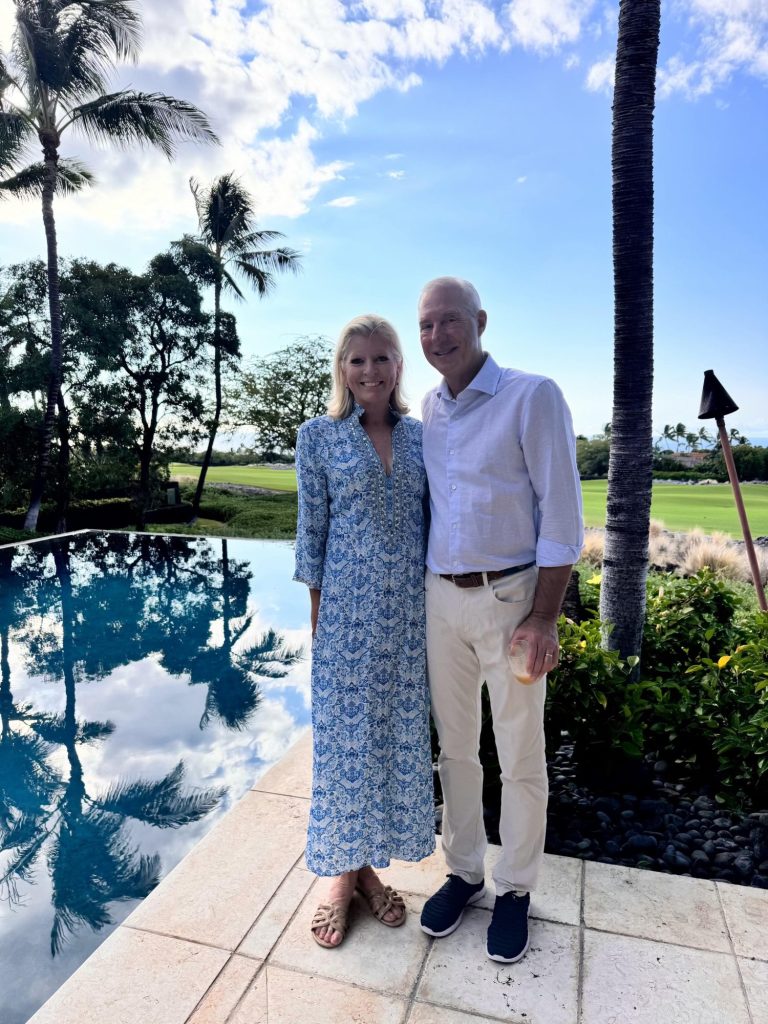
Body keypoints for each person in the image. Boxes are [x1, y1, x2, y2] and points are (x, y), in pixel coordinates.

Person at [417, 277, 583, 963]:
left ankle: (514, 888)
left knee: (519, 752)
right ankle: (463, 872)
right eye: (426, 325)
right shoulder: (427, 407)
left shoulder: (531, 395)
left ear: (479, 322)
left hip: (513, 601)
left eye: (449, 321)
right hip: (440, 600)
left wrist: (544, 618)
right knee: (455, 748)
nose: (437, 336)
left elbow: (563, 519)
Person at [294, 313, 435, 949]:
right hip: (346, 623)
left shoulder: (423, 439)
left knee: (388, 748)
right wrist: (320, 631)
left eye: (382, 359)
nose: (370, 371)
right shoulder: (317, 437)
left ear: (399, 367)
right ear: (342, 369)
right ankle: (341, 881)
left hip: (408, 625)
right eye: (358, 360)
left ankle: (365, 870)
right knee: (344, 751)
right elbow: (312, 537)